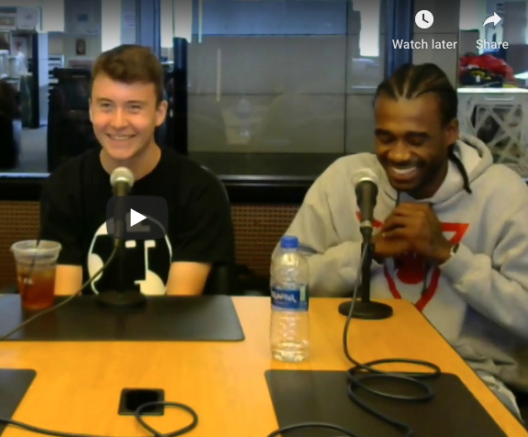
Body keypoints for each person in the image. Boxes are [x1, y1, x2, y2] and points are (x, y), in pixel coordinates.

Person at [281, 62, 528, 419]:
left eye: (416, 140)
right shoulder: (342, 180)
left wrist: (448, 254)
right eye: (386, 138)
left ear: (450, 132)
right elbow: (286, 281)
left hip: (469, 374)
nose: (397, 155)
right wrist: (366, 253)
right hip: (346, 364)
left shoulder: (504, 195)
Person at [40, 44, 235, 296]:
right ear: (90, 109)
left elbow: (179, 308)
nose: (118, 122)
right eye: (106, 105)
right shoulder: (64, 186)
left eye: (134, 107)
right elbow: (65, 304)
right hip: (86, 322)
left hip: (168, 321)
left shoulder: (198, 190)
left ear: (160, 113)